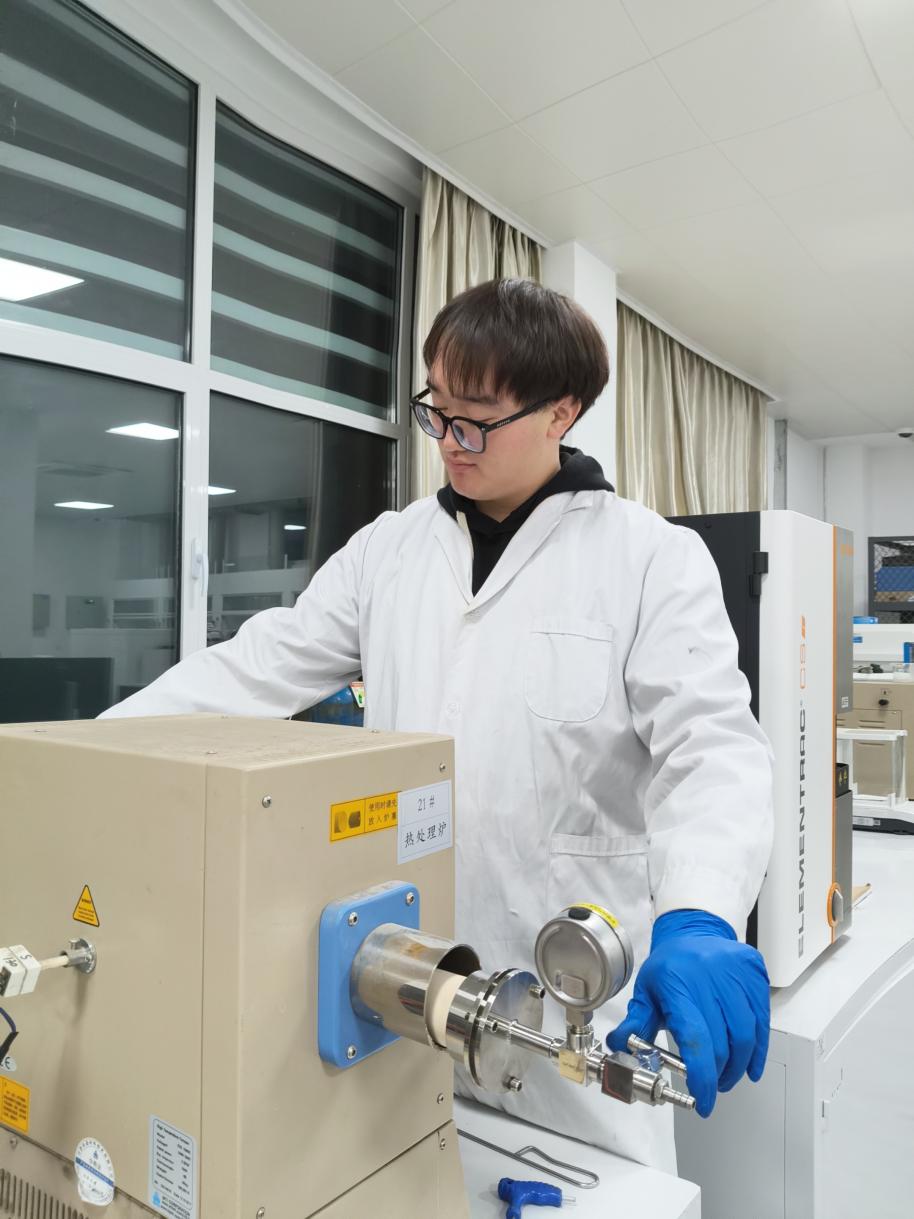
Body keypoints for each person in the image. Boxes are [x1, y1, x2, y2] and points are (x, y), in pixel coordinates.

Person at [101, 277, 773, 1171]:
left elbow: (712, 749)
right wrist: (90, 747)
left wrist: (701, 913)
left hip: (574, 1028)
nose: (451, 440)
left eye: (478, 419)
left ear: (561, 411)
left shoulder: (650, 559)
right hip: (401, 997)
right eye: (437, 409)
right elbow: (258, 666)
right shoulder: (389, 549)